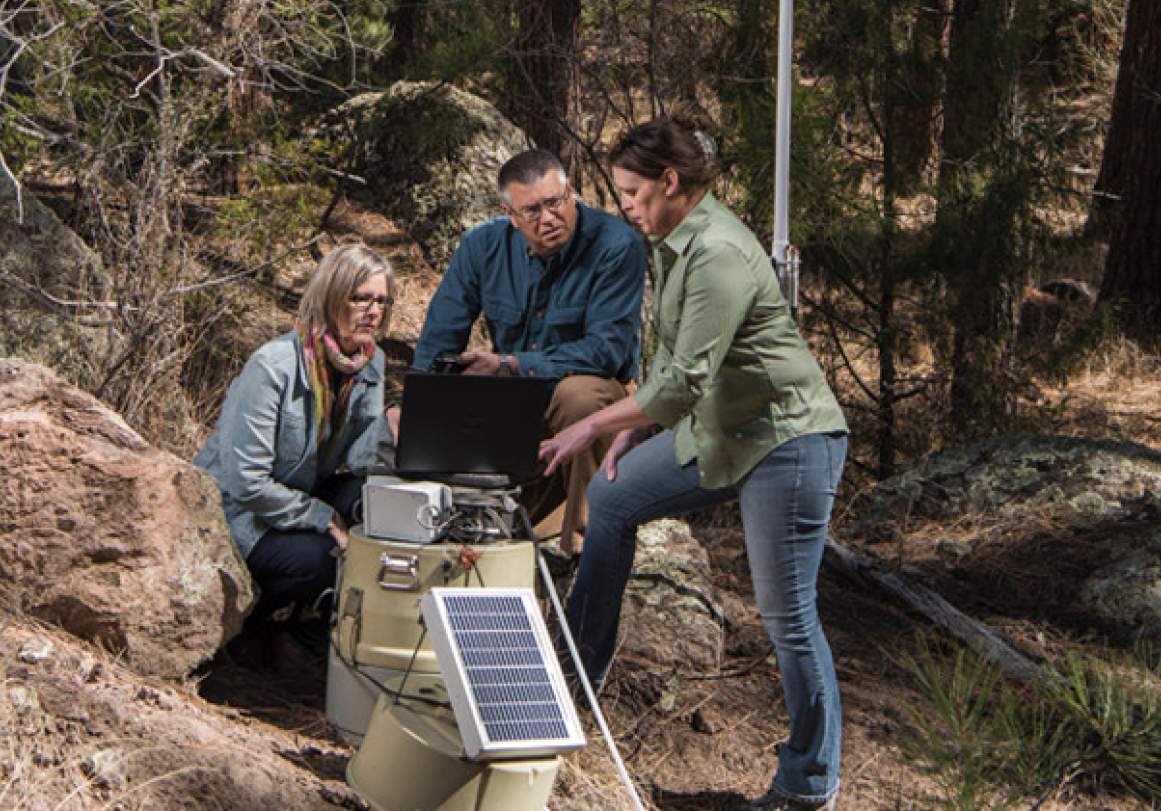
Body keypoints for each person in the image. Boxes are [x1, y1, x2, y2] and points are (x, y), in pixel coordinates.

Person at [537, 116, 849, 811]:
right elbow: (668, 364)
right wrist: (631, 431)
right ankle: (569, 687)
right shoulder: (672, 243)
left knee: (787, 614)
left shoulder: (717, 252)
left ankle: (809, 785)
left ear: (669, 182)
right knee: (613, 504)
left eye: (630, 192)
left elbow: (682, 382)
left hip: (787, 441)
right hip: (721, 433)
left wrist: (593, 421)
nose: (623, 206)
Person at [412, 149, 646, 554]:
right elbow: (438, 341)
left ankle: (580, 547)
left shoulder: (616, 246)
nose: (548, 219)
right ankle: (451, 540)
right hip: (512, 397)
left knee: (580, 397)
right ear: (510, 214)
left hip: (590, 392)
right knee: (433, 415)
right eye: (532, 211)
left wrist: (511, 364)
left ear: (570, 191)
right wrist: (414, 407)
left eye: (555, 203)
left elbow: (606, 352)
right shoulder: (482, 246)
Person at [195, 243, 395, 665]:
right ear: (331, 297)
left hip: (298, 490)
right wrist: (322, 517)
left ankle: (315, 631)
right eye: (360, 298)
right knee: (321, 561)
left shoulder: (369, 366)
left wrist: (398, 440)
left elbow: (363, 462)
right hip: (237, 511)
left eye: (380, 300)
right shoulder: (274, 367)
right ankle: (248, 627)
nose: (372, 311)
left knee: (372, 506)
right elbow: (245, 483)